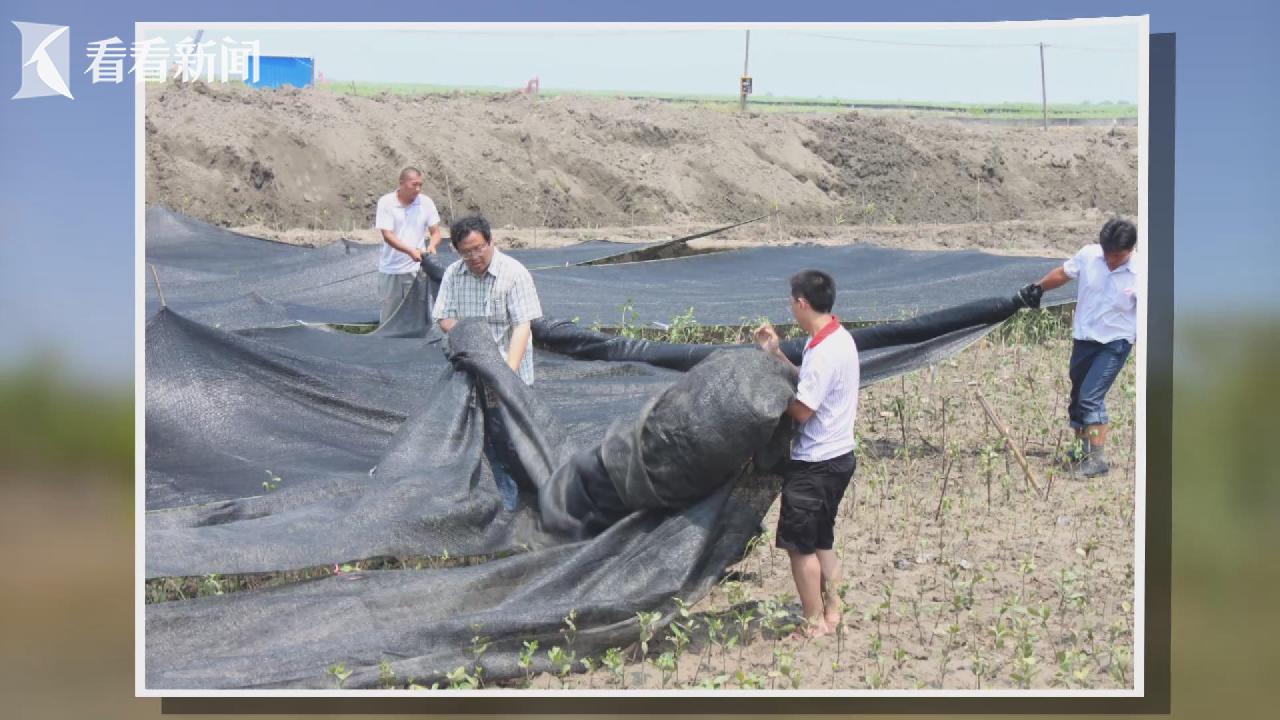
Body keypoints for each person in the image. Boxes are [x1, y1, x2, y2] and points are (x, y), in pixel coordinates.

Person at [755, 270, 860, 637]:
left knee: (800, 548)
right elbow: (809, 381)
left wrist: (767, 398)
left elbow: (802, 410)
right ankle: (834, 613)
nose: (791, 307)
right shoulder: (836, 339)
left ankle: (813, 622)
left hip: (816, 462)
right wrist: (777, 355)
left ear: (801, 302)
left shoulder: (825, 350)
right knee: (821, 540)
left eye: (791, 301)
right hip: (840, 456)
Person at [1020, 218, 1138, 478]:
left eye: (1116, 256)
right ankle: (1082, 448)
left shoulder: (1142, 272)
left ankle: (1097, 460)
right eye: (1107, 254)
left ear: (1130, 250)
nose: (1110, 260)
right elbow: (1064, 273)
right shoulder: (1089, 255)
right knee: (1077, 396)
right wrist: (1039, 288)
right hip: (1084, 337)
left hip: (1115, 343)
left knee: (1091, 397)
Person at [433, 215, 543, 385]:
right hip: (471, 374)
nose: (474, 256)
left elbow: (521, 327)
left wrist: (507, 375)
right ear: (457, 250)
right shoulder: (453, 274)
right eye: (466, 252)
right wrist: (471, 336)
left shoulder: (514, 274)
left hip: (512, 375)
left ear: (491, 241)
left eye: (478, 248)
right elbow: (443, 316)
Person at [375, 167, 443, 325]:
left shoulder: (426, 203)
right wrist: (410, 250)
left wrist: (432, 246)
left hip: (416, 271)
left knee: (418, 317)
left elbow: (436, 232)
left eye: (420, 185)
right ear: (402, 184)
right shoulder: (386, 202)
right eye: (414, 185)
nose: (418, 189)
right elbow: (388, 235)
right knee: (389, 318)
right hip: (392, 270)